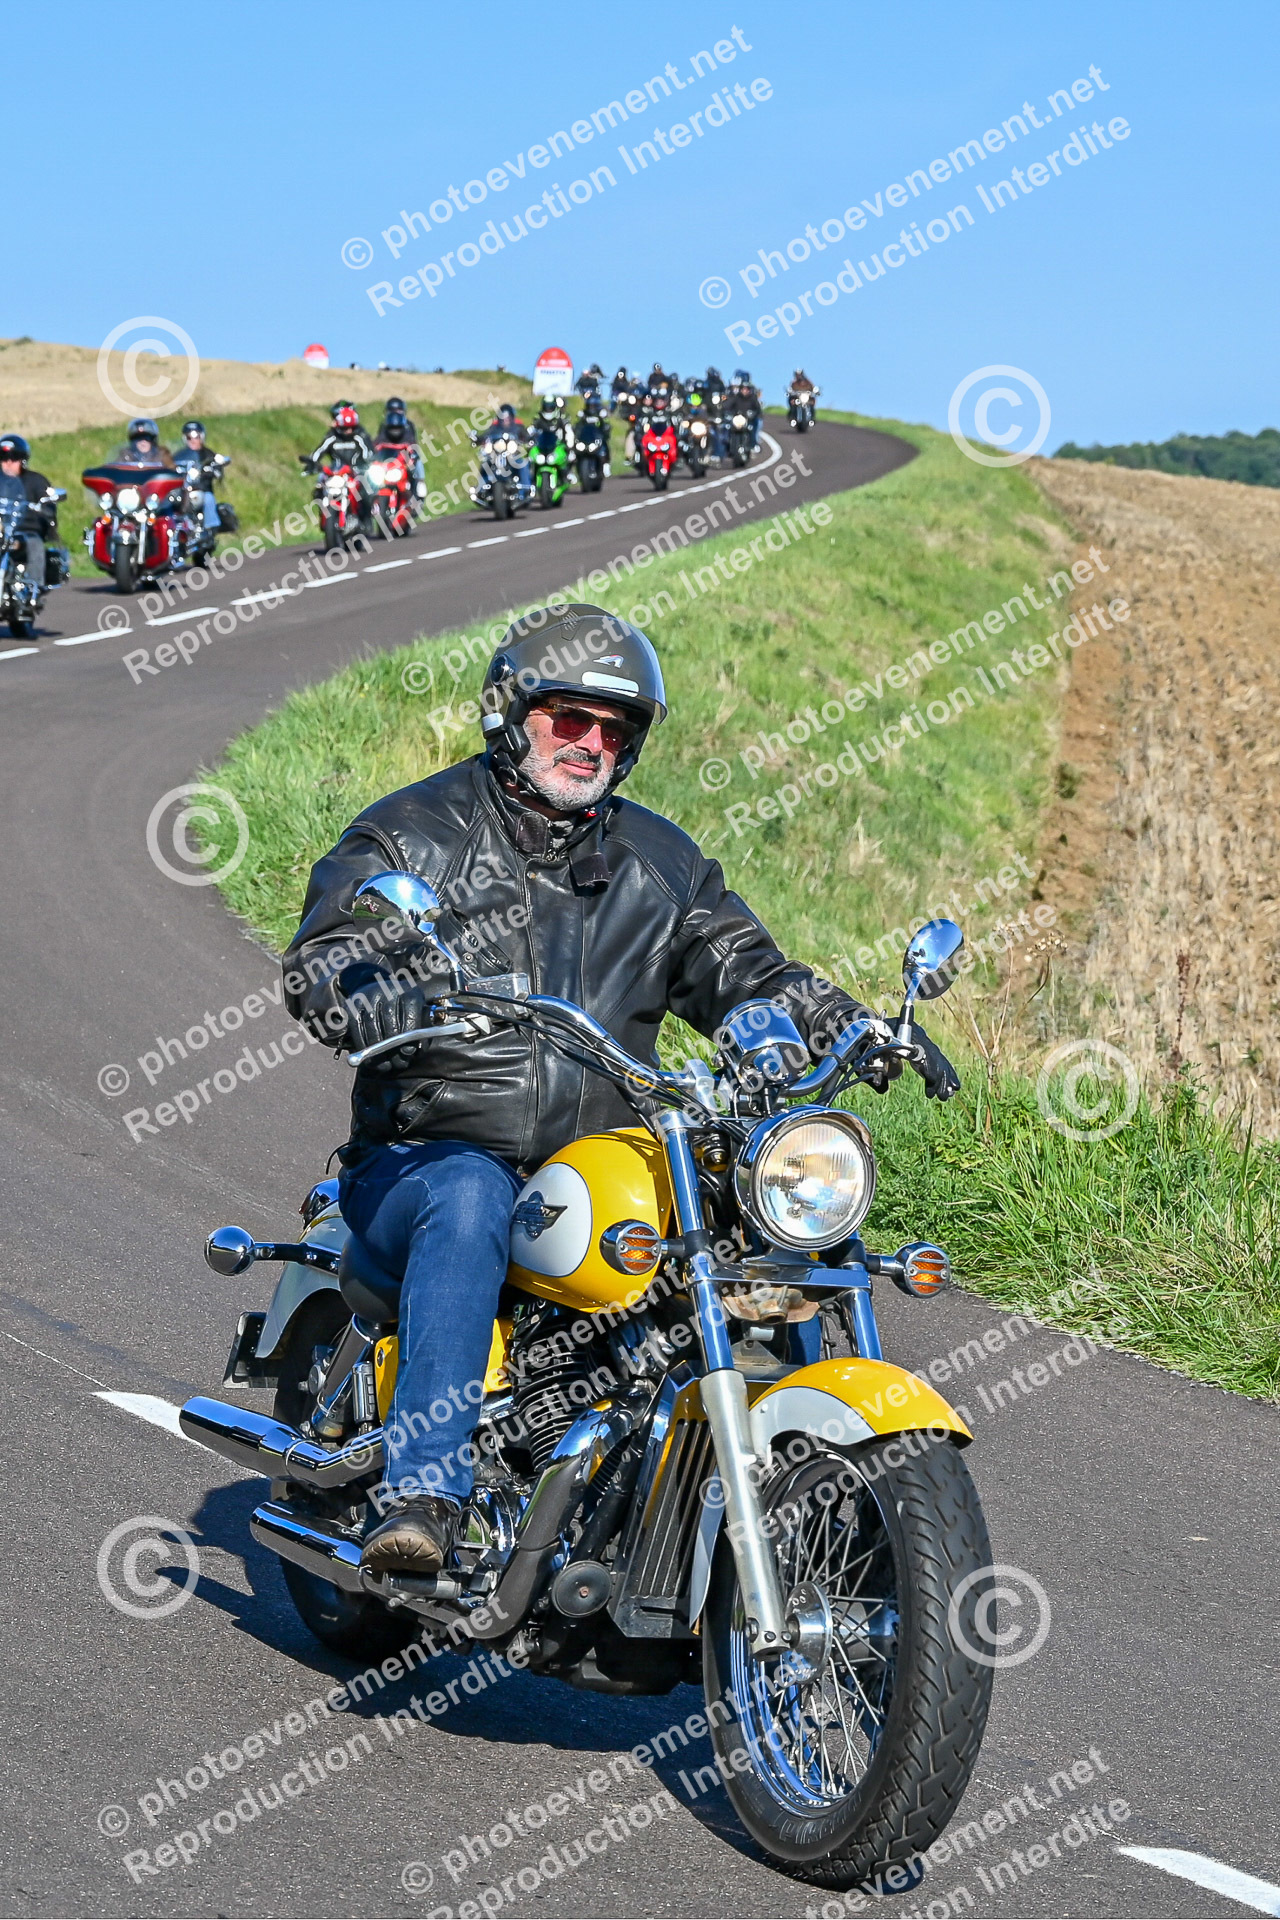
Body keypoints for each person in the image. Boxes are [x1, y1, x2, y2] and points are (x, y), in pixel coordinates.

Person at [282, 607, 960, 1574]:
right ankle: (424, 1490)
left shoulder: (661, 863)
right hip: (429, 1150)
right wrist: (386, 994)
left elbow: (744, 968)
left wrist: (848, 1024)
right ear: (511, 713)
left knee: (746, 1210)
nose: (591, 743)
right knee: (469, 1198)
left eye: (615, 728)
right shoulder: (411, 833)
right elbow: (327, 959)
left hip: (601, 1156)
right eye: (570, 718)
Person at [0, 432, 58, 595]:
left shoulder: (36, 480)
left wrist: (45, 507)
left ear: (23, 460)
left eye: (14, 458)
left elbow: (48, 501)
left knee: (34, 544)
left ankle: (34, 587)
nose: (8, 463)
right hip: (2, 532)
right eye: (3, 458)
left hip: (25, 531)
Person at [172, 420, 229, 542]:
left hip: (202, 489)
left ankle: (210, 530)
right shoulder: (179, 456)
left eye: (196, 436)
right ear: (185, 439)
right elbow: (170, 468)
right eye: (189, 437)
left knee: (208, 499)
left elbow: (218, 467)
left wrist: (215, 468)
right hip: (184, 491)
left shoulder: (208, 454)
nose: (193, 440)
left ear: (202, 437)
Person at [480, 403, 531, 501]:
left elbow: (525, 435)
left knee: (523, 464)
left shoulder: (518, 426)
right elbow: (485, 435)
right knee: (485, 465)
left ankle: (526, 489)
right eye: (502, 418)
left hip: (513, 455)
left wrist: (528, 438)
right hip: (496, 455)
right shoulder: (494, 427)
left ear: (512, 417)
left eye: (507, 418)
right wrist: (478, 439)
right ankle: (482, 489)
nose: (505, 420)